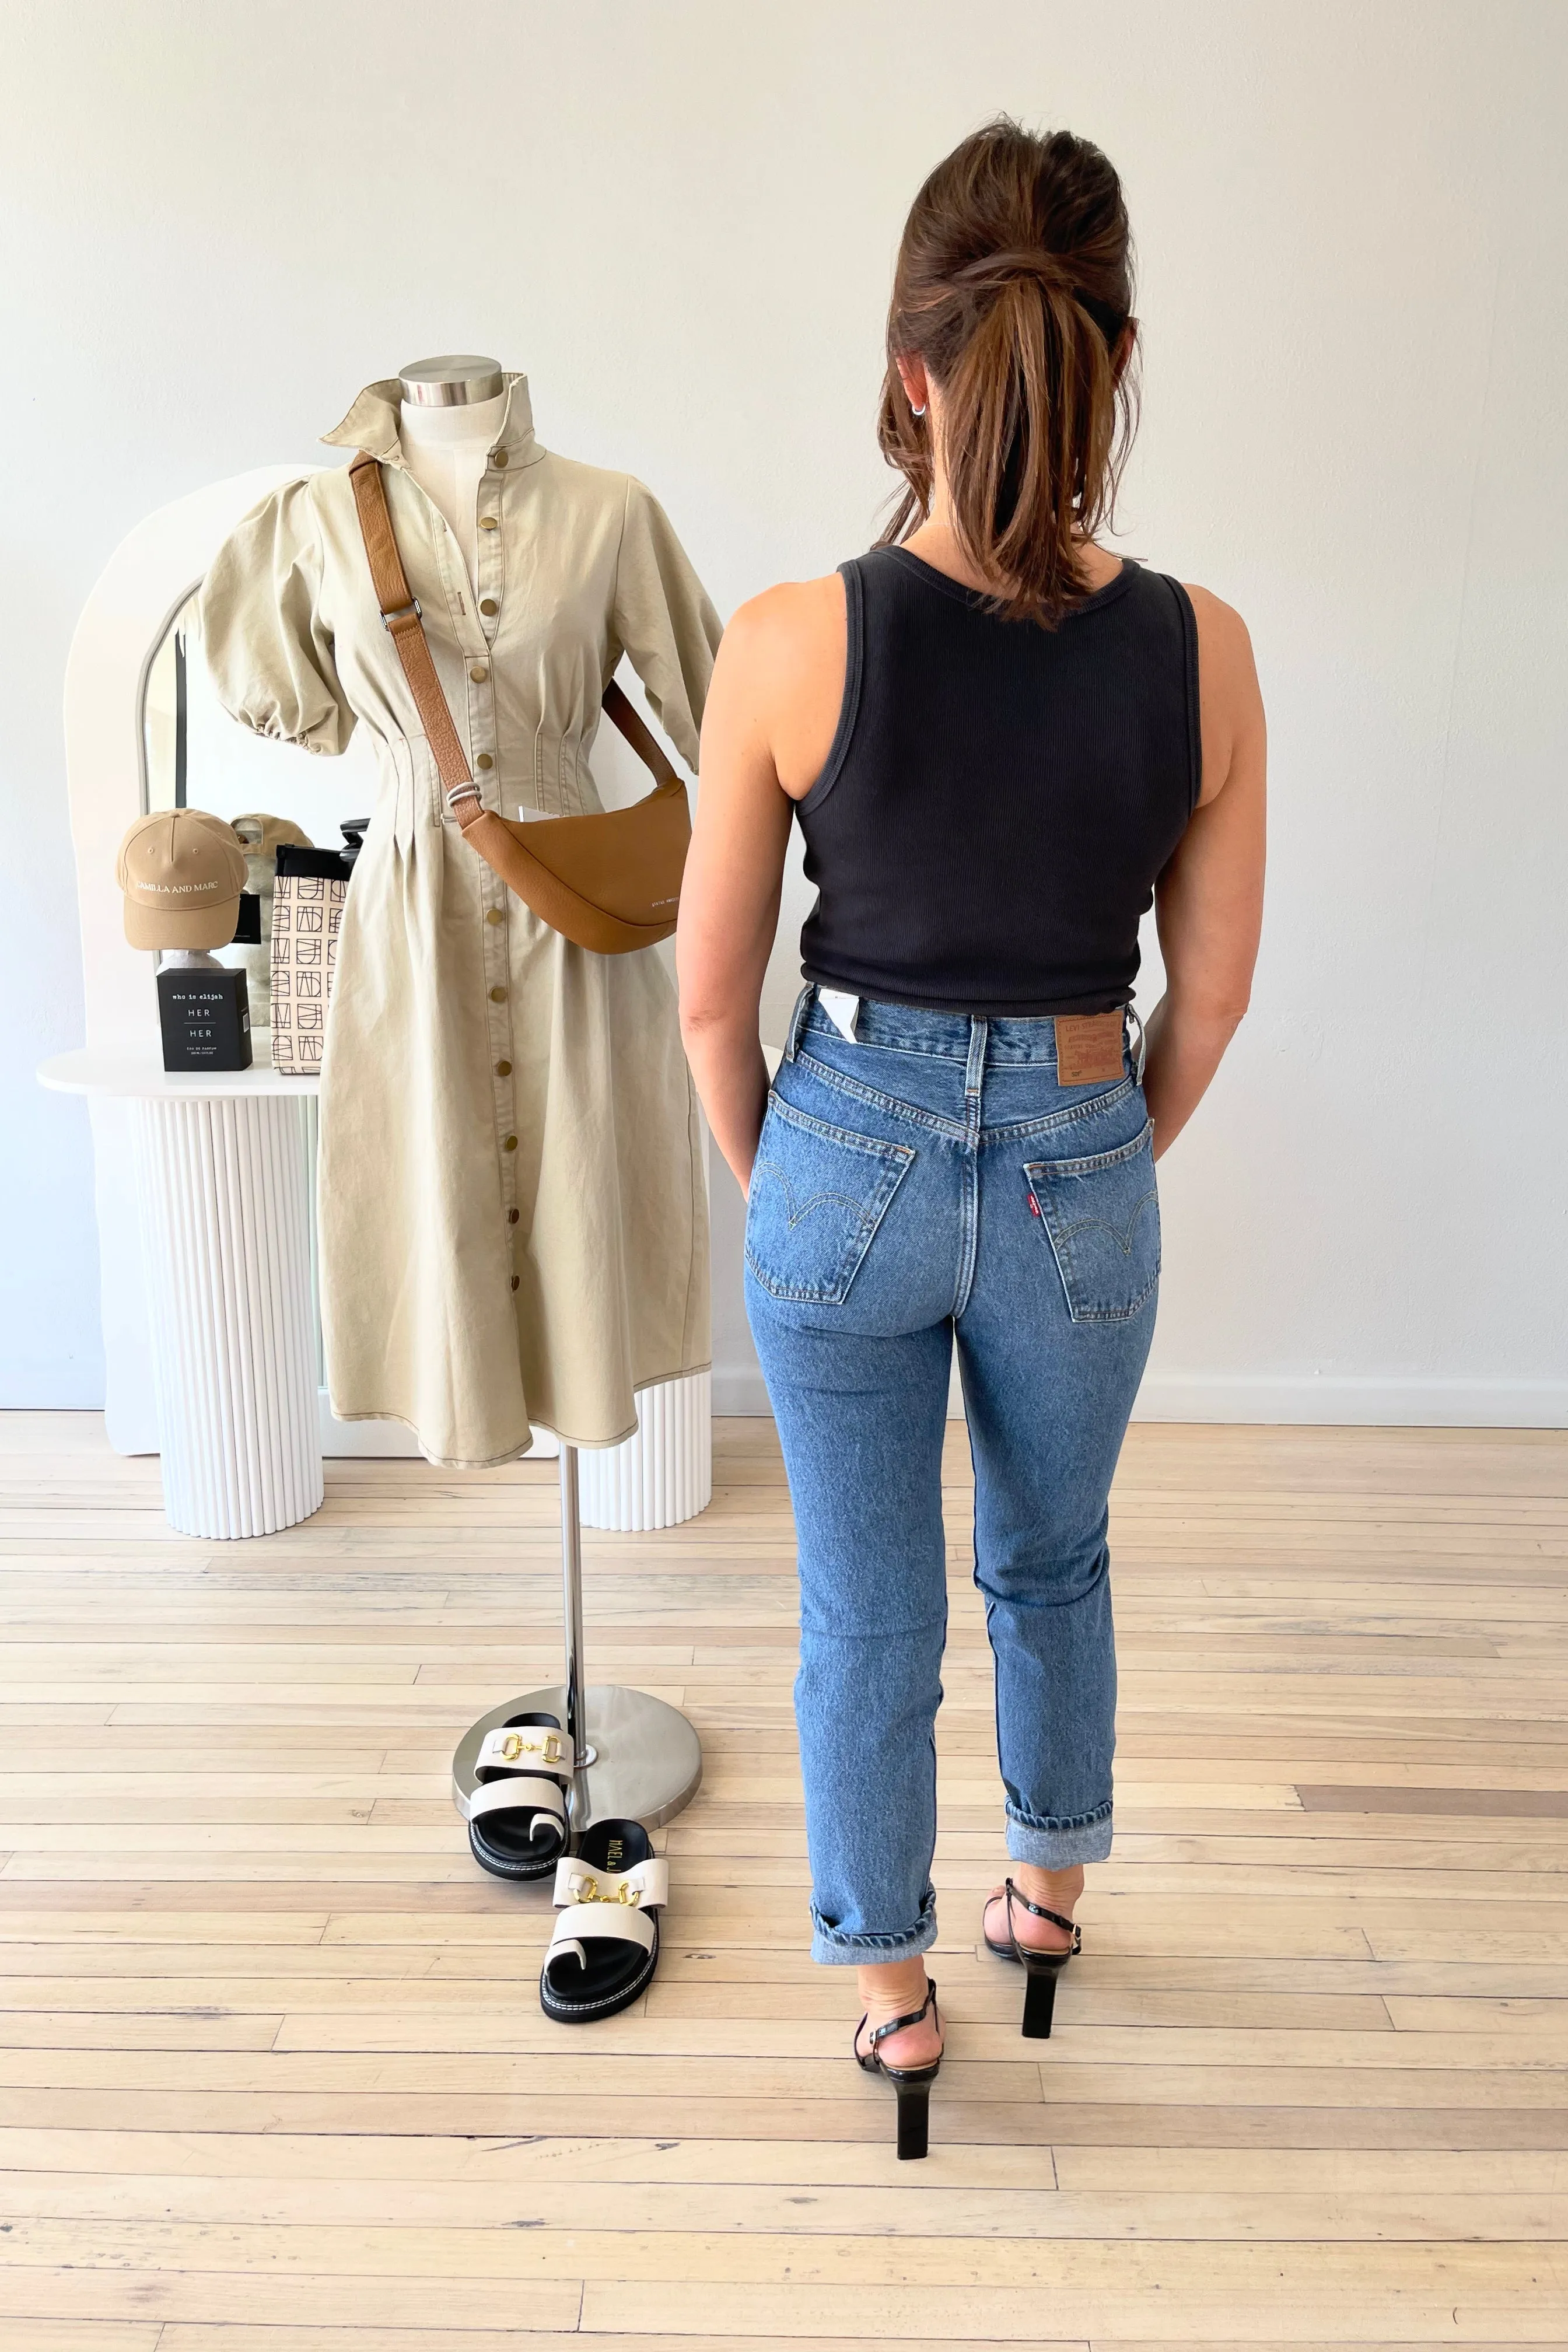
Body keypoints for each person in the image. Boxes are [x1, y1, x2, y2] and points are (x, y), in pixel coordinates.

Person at [676, 117, 1265, 2158]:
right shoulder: (1206, 649)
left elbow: (705, 999)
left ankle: (890, 1987)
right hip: (1083, 1152)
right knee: (1052, 1557)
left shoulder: (787, 635)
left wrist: (808, 1179)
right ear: (1115, 355)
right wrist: (1088, 1154)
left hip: (843, 1130)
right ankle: (1048, 1895)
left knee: (865, 1600)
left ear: (911, 363)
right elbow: (1216, 998)